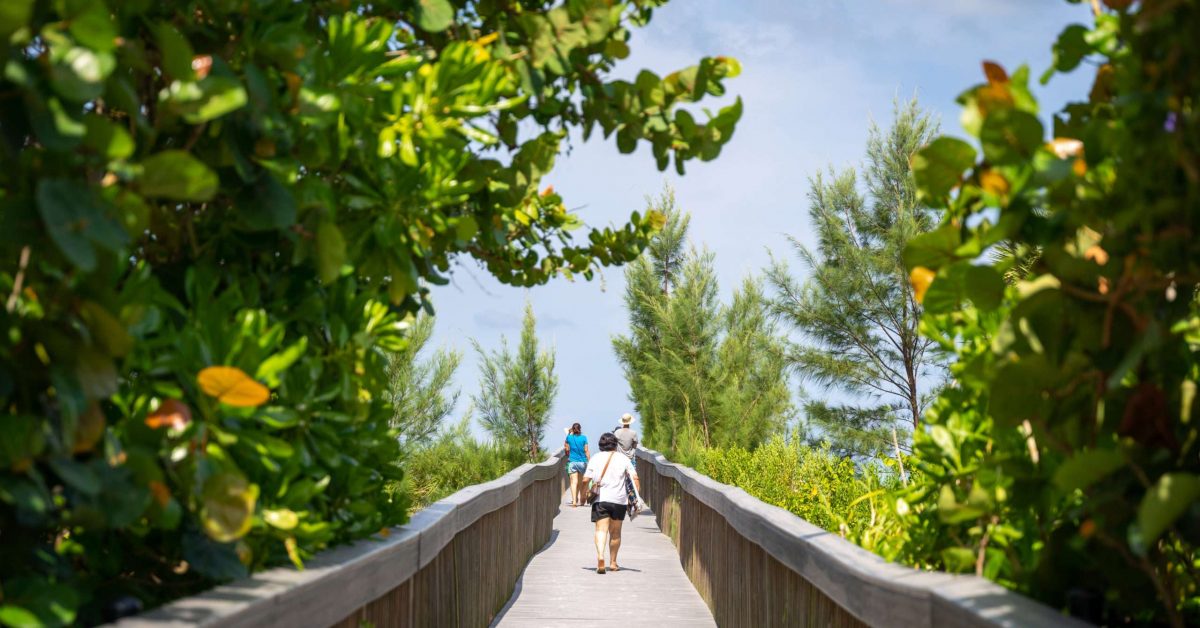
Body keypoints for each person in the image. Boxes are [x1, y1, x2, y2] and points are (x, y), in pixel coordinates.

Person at [584, 432, 640, 574]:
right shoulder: (623, 459)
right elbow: (635, 478)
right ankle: (613, 563)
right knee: (615, 533)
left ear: (600, 445)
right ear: (615, 444)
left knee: (600, 530)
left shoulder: (595, 458)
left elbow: (585, 479)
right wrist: (635, 498)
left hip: (601, 499)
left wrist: (584, 492)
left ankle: (601, 557)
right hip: (619, 500)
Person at [563, 423, 589, 507]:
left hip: (572, 462)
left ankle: (574, 501)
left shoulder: (569, 437)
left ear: (572, 429)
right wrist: (589, 461)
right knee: (581, 482)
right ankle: (581, 499)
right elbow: (586, 450)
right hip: (582, 462)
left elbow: (566, 448)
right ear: (580, 429)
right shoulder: (584, 438)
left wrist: (569, 433)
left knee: (574, 482)